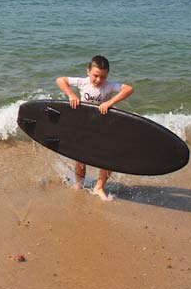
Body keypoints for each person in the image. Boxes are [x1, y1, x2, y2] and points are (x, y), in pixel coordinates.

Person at [55, 55, 134, 201]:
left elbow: (129, 89)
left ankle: (99, 187)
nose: (98, 80)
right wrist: (71, 95)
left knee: (109, 157)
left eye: (102, 77)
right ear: (88, 71)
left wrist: (110, 102)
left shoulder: (109, 86)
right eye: (95, 76)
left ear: (107, 75)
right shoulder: (83, 82)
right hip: (84, 124)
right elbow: (60, 80)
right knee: (80, 157)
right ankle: (79, 184)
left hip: (103, 125)